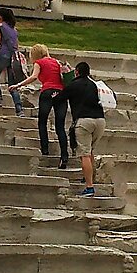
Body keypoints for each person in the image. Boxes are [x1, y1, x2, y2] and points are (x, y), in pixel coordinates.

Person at [10, 45, 69, 168]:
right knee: (60, 126)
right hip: (61, 94)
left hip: (47, 92)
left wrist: (18, 85)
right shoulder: (58, 62)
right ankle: (64, 156)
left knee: (42, 122)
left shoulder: (39, 63)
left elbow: (34, 77)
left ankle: (45, 150)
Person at [52, 62, 106, 195]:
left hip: (84, 121)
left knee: (85, 154)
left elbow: (60, 98)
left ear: (76, 71)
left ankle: (89, 186)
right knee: (90, 151)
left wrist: (54, 96)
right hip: (100, 121)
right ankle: (90, 178)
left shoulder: (74, 85)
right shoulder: (94, 84)